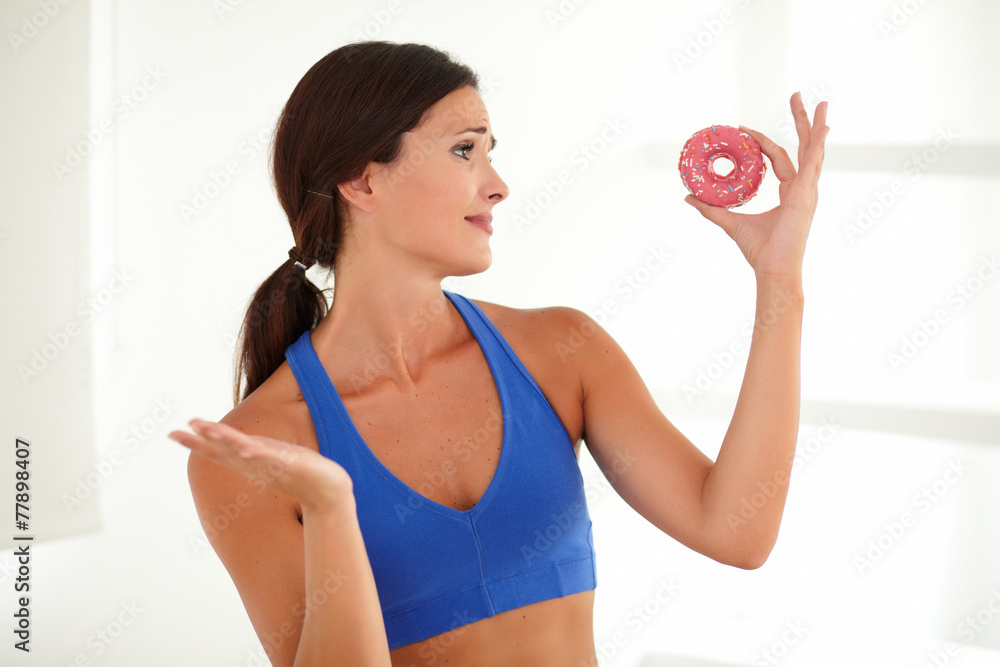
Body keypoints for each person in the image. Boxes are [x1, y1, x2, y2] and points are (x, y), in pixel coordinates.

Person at [168, 40, 829, 667]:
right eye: (464, 150)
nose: (499, 185)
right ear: (363, 184)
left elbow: (736, 531)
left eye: (490, 152)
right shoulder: (252, 452)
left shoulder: (562, 352)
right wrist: (333, 511)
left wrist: (780, 281)